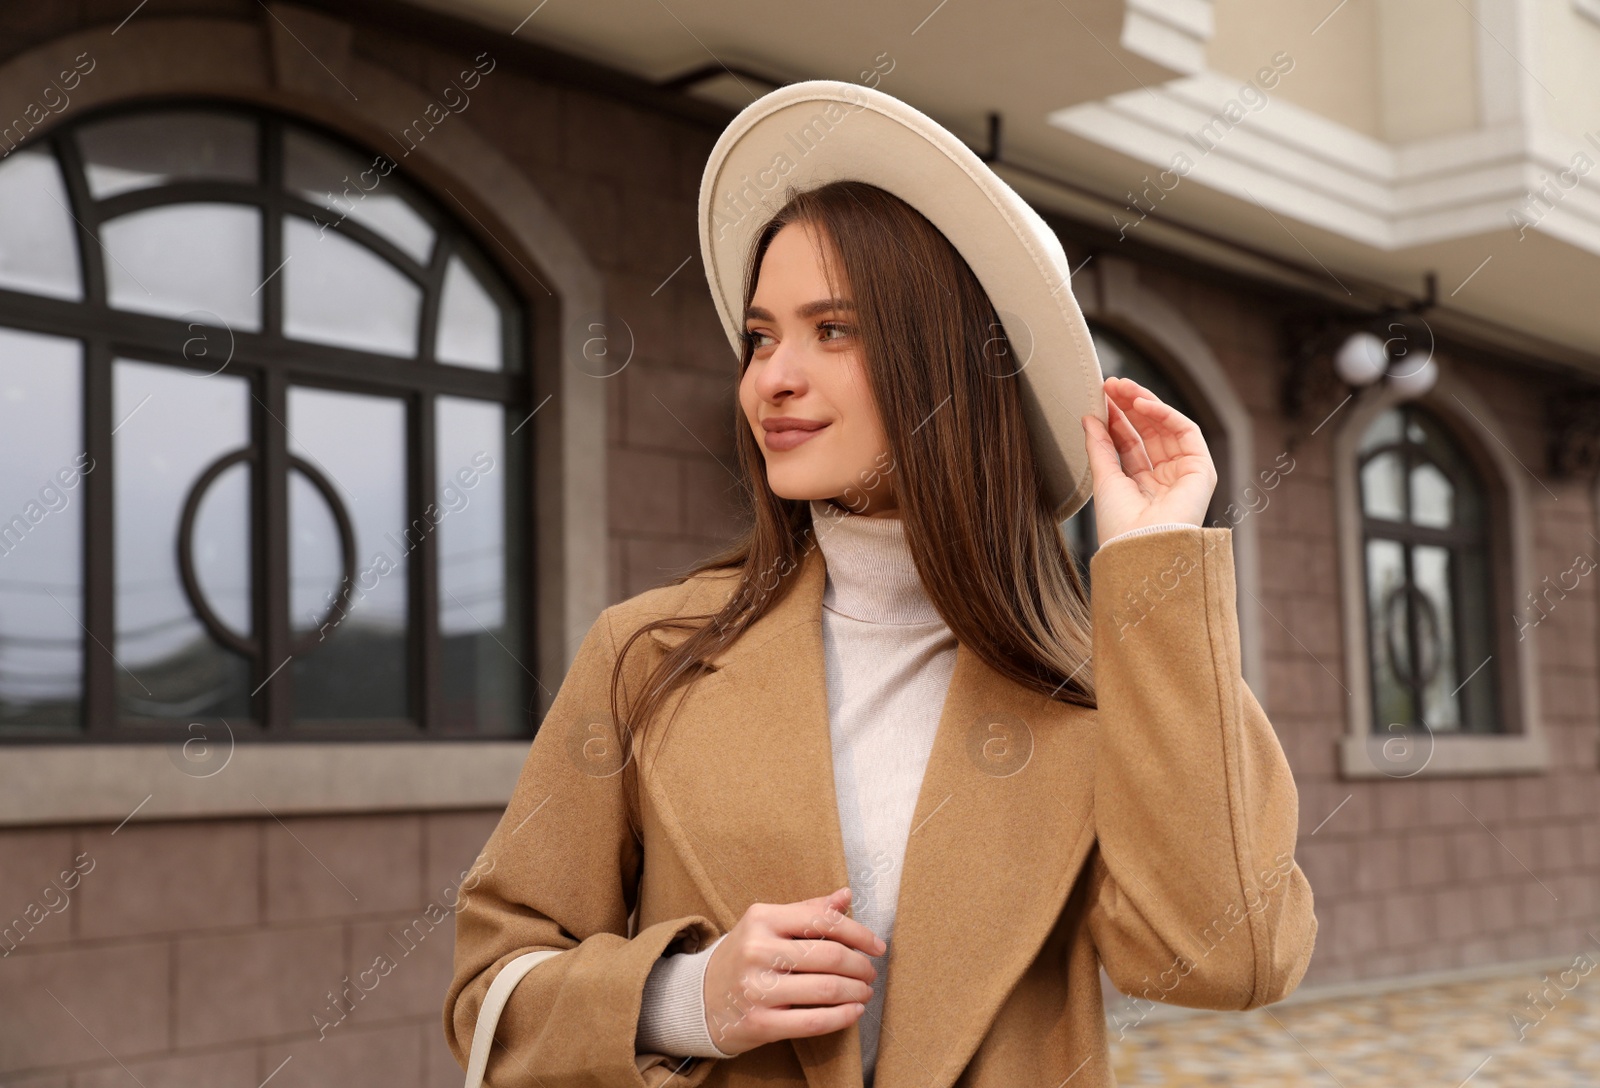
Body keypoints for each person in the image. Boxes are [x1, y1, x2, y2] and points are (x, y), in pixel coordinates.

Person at [446, 81, 1316, 1088]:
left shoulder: (1097, 682)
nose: (771, 377)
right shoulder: (645, 651)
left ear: (943, 365)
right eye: (762, 336)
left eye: (832, 329)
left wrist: (1153, 580)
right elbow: (487, 991)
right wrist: (687, 997)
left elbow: (1228, 956)